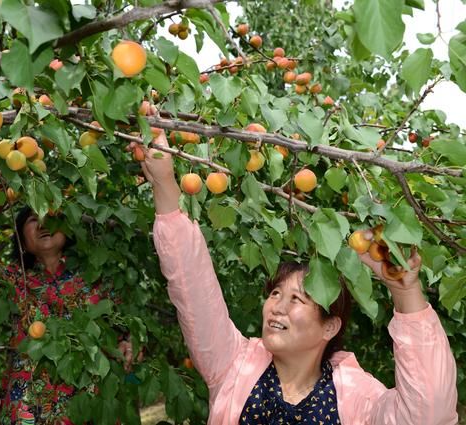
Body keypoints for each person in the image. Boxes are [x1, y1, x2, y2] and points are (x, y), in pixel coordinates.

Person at [133, 130, 458, 424]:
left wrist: (405, 291)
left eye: (297, 299)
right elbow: (193, 290)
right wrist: (164, 184)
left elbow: (429, 415)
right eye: (275, 294)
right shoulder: (233, 367)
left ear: (330, 326)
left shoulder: (359, 401)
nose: (277, 306)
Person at [0, 204, 137, 424]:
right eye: (33, 220)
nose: (43, 224)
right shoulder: (14, 280)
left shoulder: (96, 278)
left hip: (89, 399)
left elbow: (123, 330)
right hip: (29, 403)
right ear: (22, 241)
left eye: (51, 216)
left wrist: (128, 344)